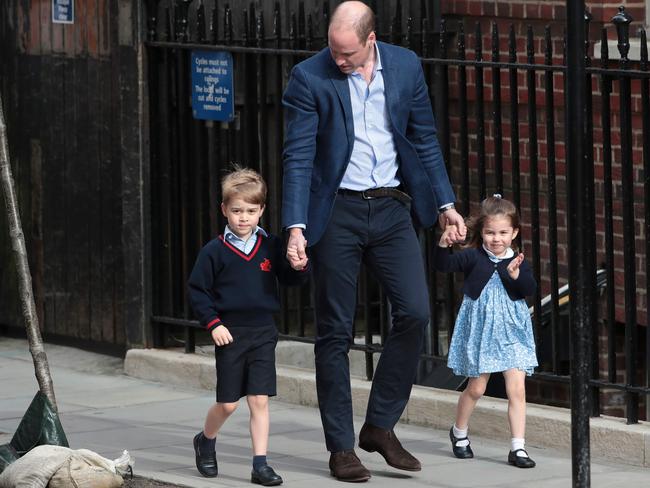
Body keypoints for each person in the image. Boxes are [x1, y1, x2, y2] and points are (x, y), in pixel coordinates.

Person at [281, 1, 466, 481]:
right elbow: (298, 156)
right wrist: (296, 226)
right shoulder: (309, 78)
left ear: (370, 39)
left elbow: (424, 138)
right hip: (336, 210)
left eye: (346, 53)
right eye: (332, 50)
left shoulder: (405, 66)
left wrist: (446, 204)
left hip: (391, 207)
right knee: (336, 333)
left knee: (416, 312)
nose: (337, 60)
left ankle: (380, 425)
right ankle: (341, 447)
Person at [188, 167, 308, 486]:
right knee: (228, 403)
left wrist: (299, 266)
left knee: (259, 400)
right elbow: (197, 291)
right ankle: (206, 439)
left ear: (262, 211)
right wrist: (213, 324)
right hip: (230, 335)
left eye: (251, 211)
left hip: (263, 333)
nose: (244, 218)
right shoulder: (213, 251)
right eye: (237, 210)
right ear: (224, 209)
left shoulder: (272, 245)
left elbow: (292, 278)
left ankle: (260, 464)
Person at [434, 195, 538, 469]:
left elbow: (529, 289)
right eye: (490, 232)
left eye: (503, 232)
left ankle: (518, 448)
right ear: (481, 232)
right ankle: (459, 433)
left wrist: (516, 276)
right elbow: (443, 266)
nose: (496, 239)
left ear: (514, 232)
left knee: (517, 389)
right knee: (477, 388)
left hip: (512, 332)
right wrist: (443, 246)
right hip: (483, 332)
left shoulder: (517, 260)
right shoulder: (472, 257)